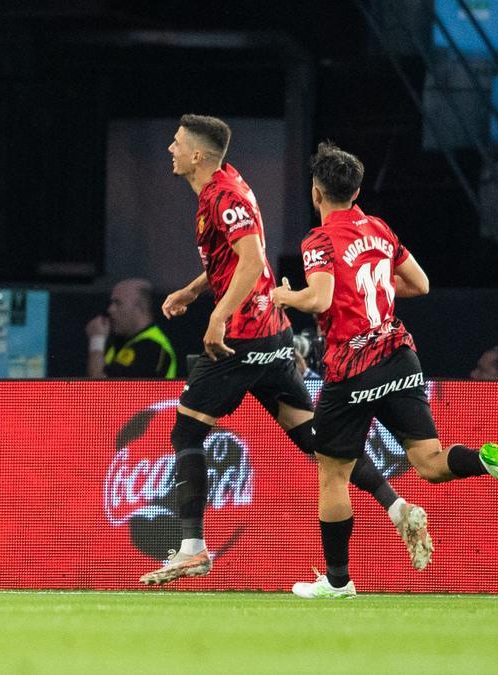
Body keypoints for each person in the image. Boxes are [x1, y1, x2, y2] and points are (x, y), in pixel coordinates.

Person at [139, 116, 425, 586]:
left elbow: (252, 264)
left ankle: (192, 548)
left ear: (196, 156)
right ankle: (396, 506)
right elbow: (234, 262)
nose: (169, 148)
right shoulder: (225, 187)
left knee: (186, 434)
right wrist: (195, 290)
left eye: (175, 143)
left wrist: (216, 317)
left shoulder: (224, 197)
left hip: (244, 336)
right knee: (317, 441)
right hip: (272, 336)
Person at [274, 142, 498, 599]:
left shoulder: (318, 240)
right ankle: (484, 459)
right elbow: (421, 283)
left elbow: (316, 299)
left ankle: (338, 582)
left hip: (353, 366)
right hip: (399, 355)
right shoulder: (378, 228)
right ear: (355, 192)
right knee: (431, 465)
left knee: (333, 474)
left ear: (317, 193)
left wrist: (285, 297)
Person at [86, 278, 178, 379]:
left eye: (118, 303)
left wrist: (97, 340)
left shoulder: (152, 348)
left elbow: (100, 387)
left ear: (139, 308)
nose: (110, 309)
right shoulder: (119, 343)